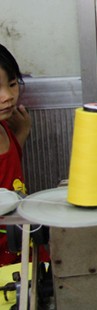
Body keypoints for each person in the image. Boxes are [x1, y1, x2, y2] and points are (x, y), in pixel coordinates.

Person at [0, 44, 31, 265]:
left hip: (23, 248)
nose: (8, 97)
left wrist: (21, 133)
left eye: (12, 84)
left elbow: (11, 174)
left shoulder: (6, 130)